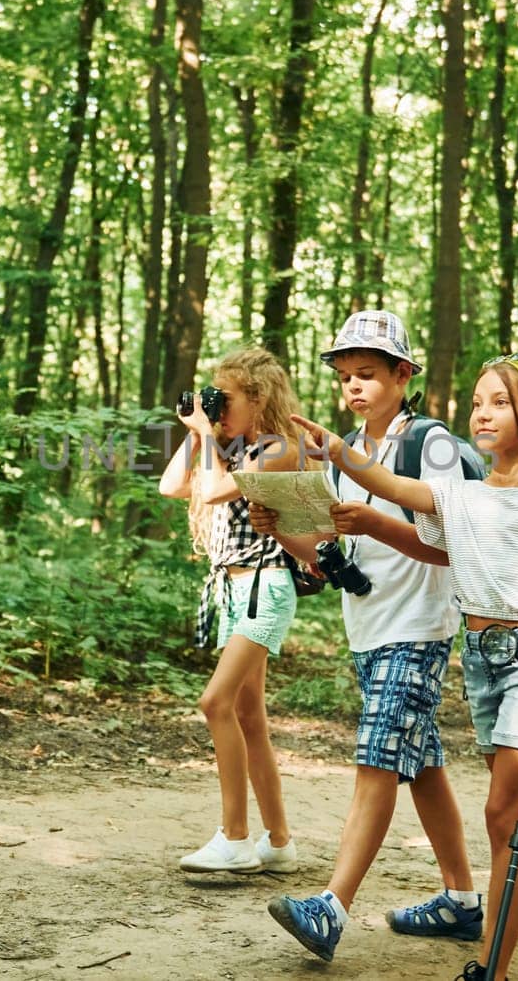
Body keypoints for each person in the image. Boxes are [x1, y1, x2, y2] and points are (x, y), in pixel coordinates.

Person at [292, 355, 518, 981]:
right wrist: (337, 451)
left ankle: (488, 971)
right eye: (477, 402)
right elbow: (393, 491)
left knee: (504, 811)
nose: (483, 412)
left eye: (500, 401)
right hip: (482, 665)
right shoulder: (462, 495)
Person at [252, 311, 481, 964]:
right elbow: (333, 551)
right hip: (369, 628)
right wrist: (281, 527)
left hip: (419, 627)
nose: (354, 387)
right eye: (345, 376)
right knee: (423, 764)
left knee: (379, 756)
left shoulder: (431, 443)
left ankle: (330, 906)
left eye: (369, 375)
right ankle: (462, 901)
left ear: (403, 375)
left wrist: (375, 524)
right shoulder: (346, 450)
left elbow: (454, 547)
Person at [159, 346, 313, 875]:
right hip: (232, 590)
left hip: (266, 589)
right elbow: (172, 485)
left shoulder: (278, 448)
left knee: (214, 702)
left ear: (258, 398)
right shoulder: (230, 446)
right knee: (250, 717)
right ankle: (279, 841)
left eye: (226, 398)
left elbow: (215, 490)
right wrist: (198, 429)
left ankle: (236, 837)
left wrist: (206, 435)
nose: (217, 405)